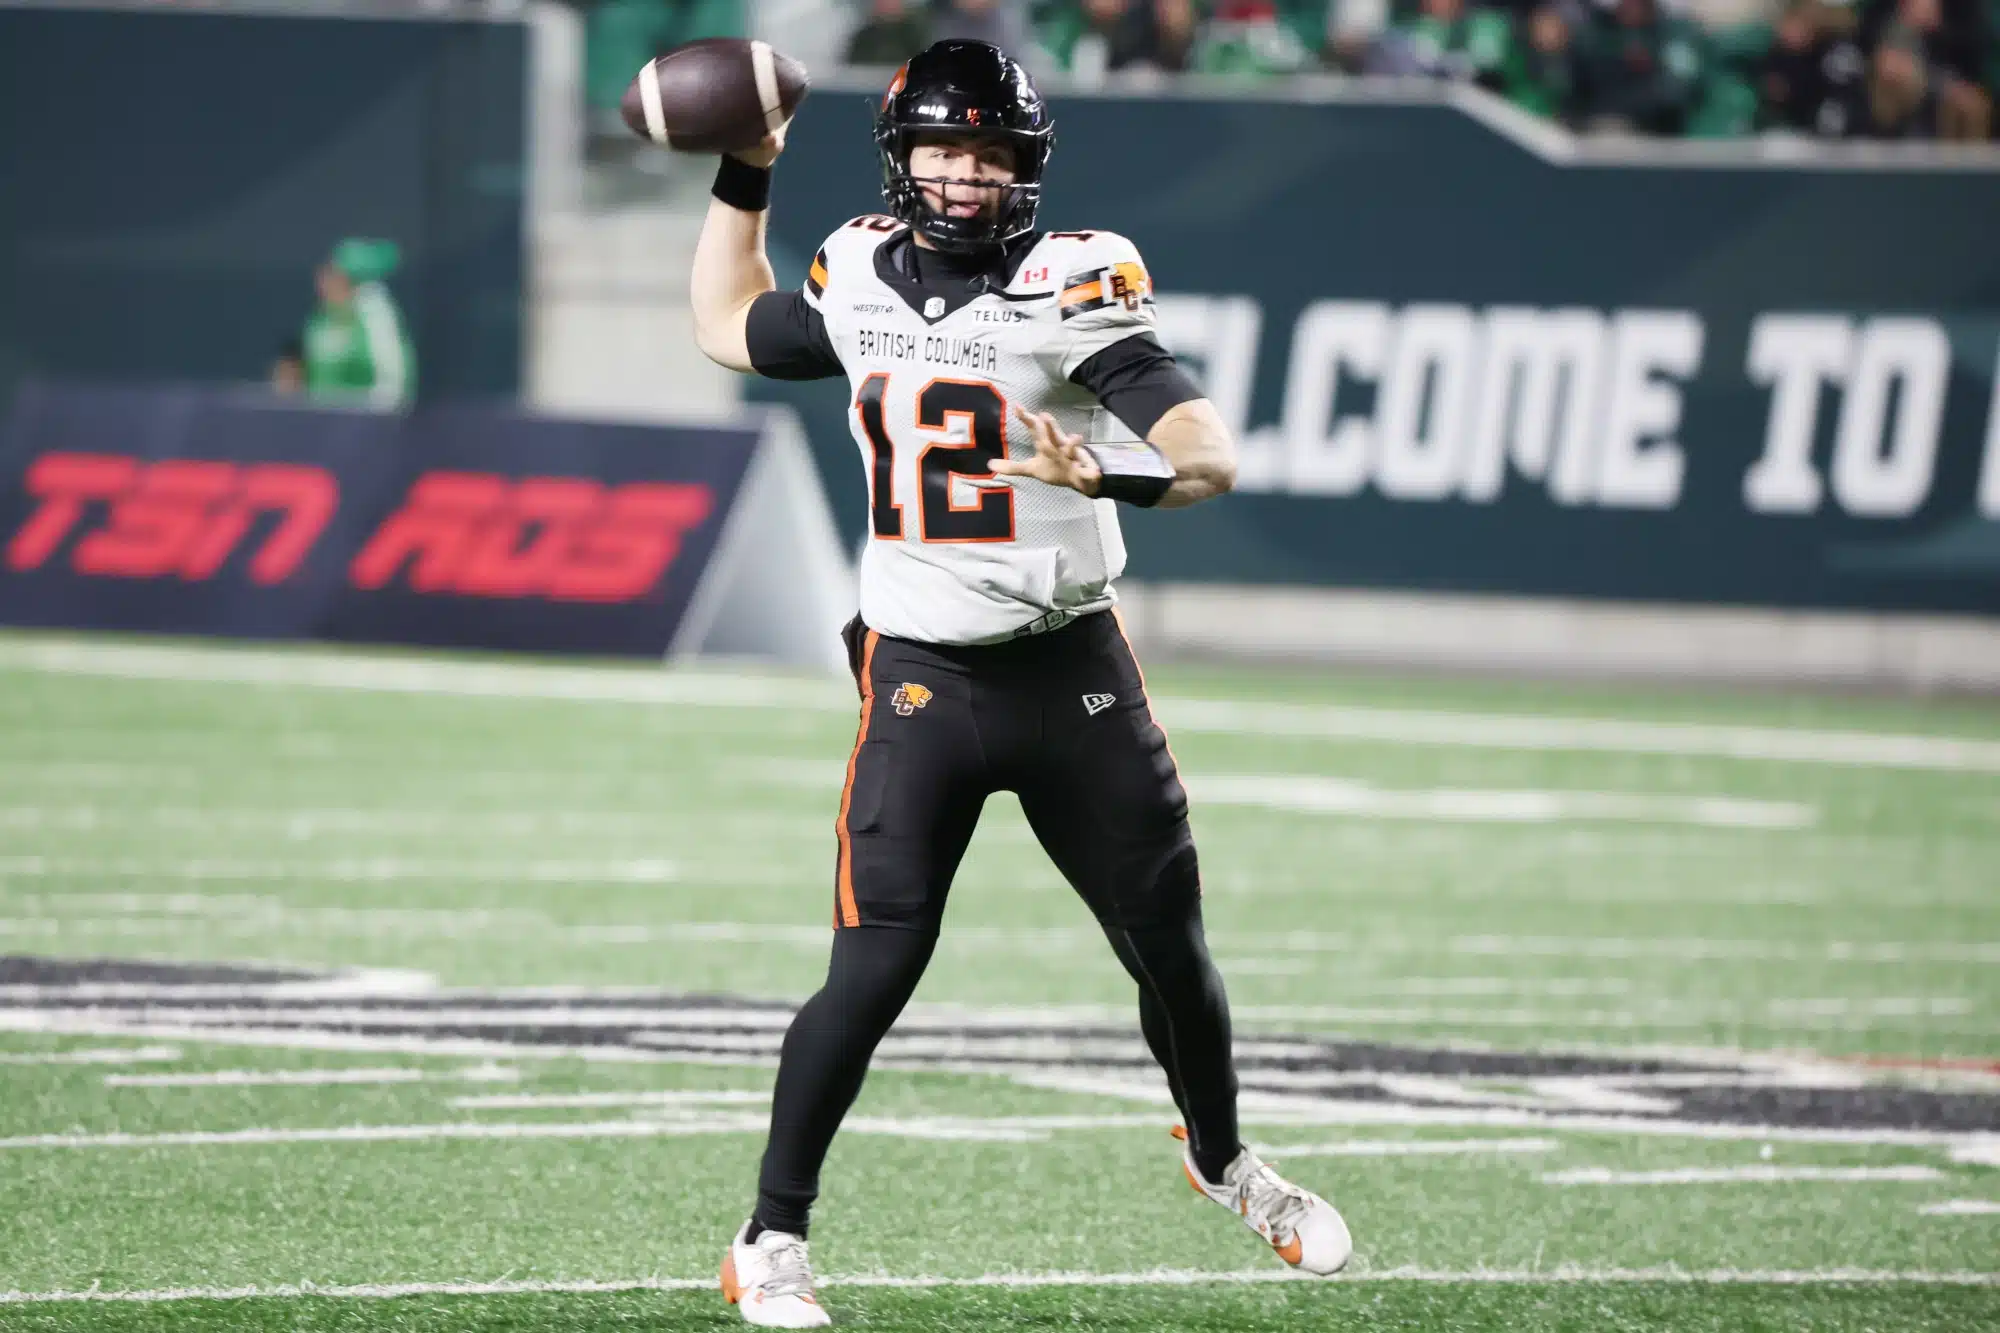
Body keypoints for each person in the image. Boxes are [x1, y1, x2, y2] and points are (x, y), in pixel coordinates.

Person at [687, 37, 1351, 1329]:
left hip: (1071, 668)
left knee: (1169, 947)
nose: (964, 174)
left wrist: (1108, 473)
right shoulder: (857, 268)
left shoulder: (1071, 282)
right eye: (943, 148)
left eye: (989, 152)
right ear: (902, 157)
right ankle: (769, 1235)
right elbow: (726, 321)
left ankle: (1224, 1159)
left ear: (1025, 166)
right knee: (875, 965)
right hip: (921, 673)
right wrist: (743, 167)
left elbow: (1208, 452)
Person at [297, 238, 414, 409]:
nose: (324, 280)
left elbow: (393, 384)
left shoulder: (375, 316)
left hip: (364, 426)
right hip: (320, 426)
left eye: (334, 274)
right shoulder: (319, 320)